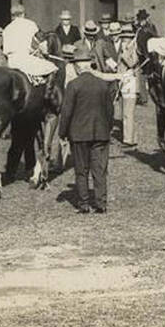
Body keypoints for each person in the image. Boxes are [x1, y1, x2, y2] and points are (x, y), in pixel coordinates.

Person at [58, 41, 115, 214]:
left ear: (77, 65)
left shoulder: (73, 85)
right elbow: (110, 112)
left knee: (81, 171)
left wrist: (62, 133)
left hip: (79, 134)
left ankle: (83, 204)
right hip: (100, 133)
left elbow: (66, 112)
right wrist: (108, 129)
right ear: (89, 64)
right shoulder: (103, 84)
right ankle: (101, 203)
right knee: (100, 170)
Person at [2, 3, 57, 78]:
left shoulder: (6, 29)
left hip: (11, 63)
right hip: (25, 61)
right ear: (23, 14)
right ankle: (48, 90)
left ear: (12, 15)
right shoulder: (31, 24)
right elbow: (40, 44)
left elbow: (5, 52)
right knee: (52, 68)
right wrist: (44, 52)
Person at [113, 20, 139, 147]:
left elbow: (132, 63)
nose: (124, 40)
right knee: (124, 112)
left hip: (130, 83)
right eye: (123, 37)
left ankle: (129, 139)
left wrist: (124, 54)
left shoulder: (133, 49)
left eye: (127, 37)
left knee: (128, 112)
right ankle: (128, 136)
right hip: (122, 82)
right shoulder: (126, 48)